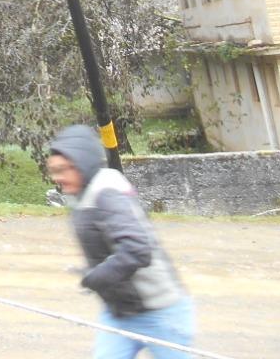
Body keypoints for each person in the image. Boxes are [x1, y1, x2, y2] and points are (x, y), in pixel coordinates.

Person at [47, 124, 194, 358]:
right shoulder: (80, 195)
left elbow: (136, 250)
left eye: (63, 169)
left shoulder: (107, 189)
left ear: (82, 162)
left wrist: (96, 277)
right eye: (54, 171)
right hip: (118, 314)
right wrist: (93, 271)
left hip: (159, 311)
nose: (58, 178)